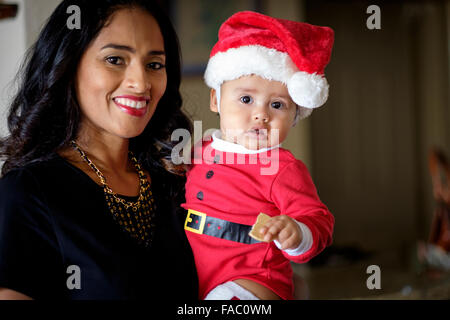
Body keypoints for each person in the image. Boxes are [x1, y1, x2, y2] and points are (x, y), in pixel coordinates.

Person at [0, 0, 198, 300]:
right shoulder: (27, 193)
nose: (140, 82)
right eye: (115, 59)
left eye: (154, 65)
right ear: (68, 65)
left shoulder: (177, 181)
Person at [181, 11, 335, 300]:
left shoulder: (282, 167)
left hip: (250, 280)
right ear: (216, 99)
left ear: (295, 115)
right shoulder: (199, 151)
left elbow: (318, 219)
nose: (261, 115)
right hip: (198, 271)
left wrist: (298, 232)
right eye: (246, 99)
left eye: (277, 105)